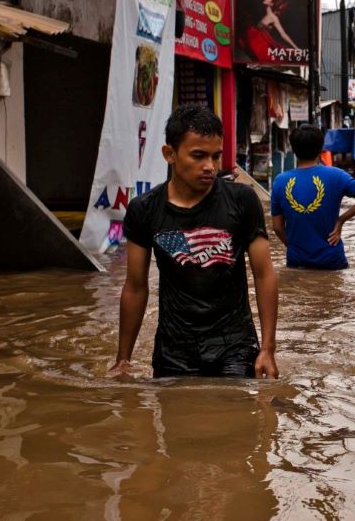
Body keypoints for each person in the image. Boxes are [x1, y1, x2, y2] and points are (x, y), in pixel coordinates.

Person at [110, 106, 279, 379]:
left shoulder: (242, 200)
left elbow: (264, 274)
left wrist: (268, 349)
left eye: (216, 156)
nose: (210, 166)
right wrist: (123, 360)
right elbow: (135, 287)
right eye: (198, 156)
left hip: (235, 346)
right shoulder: (145, 210)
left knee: (238, 406)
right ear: (170, 154)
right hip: (173, 350)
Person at [271, 124, 355, 270]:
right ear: (321, 148)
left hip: (297, 261)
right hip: (332, 261)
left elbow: (277, 227)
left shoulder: (280, 181)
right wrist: (341, 220)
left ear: (293, 149)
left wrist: (293, 246)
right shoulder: (336, 175)